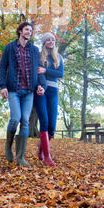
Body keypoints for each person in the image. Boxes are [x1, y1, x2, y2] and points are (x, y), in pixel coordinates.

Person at [0, 22, 46, 167]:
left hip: (29, 92)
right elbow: (2, 67)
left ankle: (20, 157)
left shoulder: (34, 50)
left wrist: (41, 85)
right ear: (20, 31)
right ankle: (8, 145)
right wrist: (3, 86)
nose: (29, 32)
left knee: (25, 121)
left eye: (31, 30)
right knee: (15, 119)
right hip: (14, 90)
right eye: (26, 30)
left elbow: (39, 70)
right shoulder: (10, 47)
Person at [34, 32, 64, 167]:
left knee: (52, 126)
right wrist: (39, 86)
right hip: (41, 90)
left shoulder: (59, 57)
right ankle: (47, 157)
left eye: (52, 39)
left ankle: (41, 146)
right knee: (44, 121)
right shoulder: (39, 56)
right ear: (44, 42)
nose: (50, 41)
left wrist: (45, 70)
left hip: (53, 91)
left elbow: (60, 74)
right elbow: (35, 72)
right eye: (48, 40)